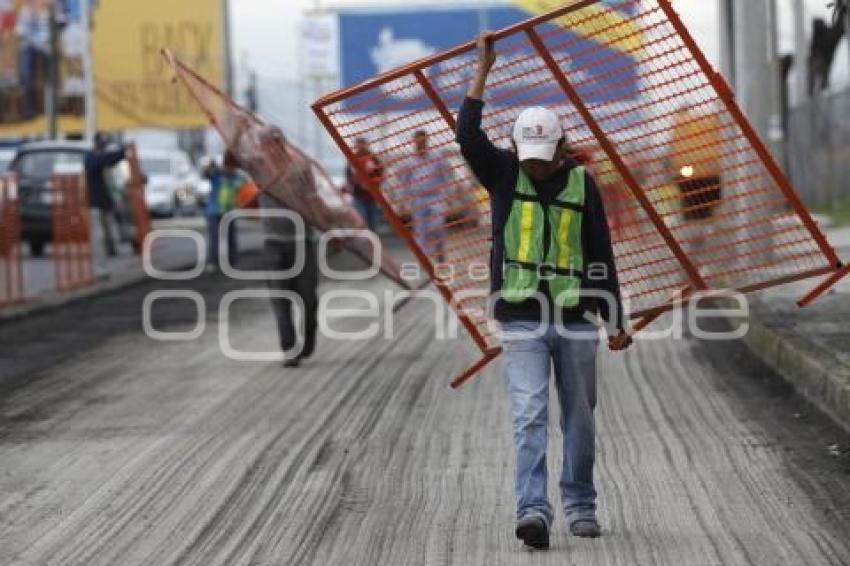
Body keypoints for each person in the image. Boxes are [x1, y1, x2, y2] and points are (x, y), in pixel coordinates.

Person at [456, 33, 633, 550]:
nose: (534, 163)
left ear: (560, 146)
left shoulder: (584, 184)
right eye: (526, 154)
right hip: (521, 319)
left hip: (577, 319)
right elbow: (467, 135)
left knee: (579, 418)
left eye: (543, 154)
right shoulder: (504, 174)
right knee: (529, 415)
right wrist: (482, 72)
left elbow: (601, 256)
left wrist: (615, 318)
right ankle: (532, 510)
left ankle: (581, 503)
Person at [256, 126, 319, 368]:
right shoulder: (258, 168)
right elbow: (229, 161)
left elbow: (314, 201)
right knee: (280, 299)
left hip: (302, 241)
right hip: (273, 243)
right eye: (263, 144)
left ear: (281, 142)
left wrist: (328, 231)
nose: (267, 148)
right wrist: (239, 132)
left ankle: (308, 339)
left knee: (308, 298)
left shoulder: (301, 166)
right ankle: (290, 349)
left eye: (272, 143)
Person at [401, 130, 452, 264]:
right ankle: (425, 259)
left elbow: (448, 175)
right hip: (418, 199)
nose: (421, 143)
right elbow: (404, 181)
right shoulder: (409, 161)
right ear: (414, 142)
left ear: (427, 140)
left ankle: (440, 249)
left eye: (423, 140)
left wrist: (448, 194)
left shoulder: (437, 157)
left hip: (435, 197)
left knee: (437, 225)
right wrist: (404, 199)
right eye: (418, 141)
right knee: (420, 231)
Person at [84, 132, 126, 276]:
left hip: (106, 204)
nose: (102, 147)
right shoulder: (91, 158)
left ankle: (108, 258)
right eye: (101, 144)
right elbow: (101, 161)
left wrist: (123, 151)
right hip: (95, 204)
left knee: (111, 235)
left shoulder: (104, 160)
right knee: (98, 236)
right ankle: (100, 269)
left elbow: (113, 159)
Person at [203, 150, 245, 271]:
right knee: (215, 238)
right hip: (214, 211)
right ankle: (213, 262)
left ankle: (232, 261)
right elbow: (206, 173)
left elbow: (243, 185)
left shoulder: (236, 176)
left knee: (231, 238)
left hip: (229, 211)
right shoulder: (217, 173)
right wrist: (211, 165)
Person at [345, 137, 384, 231]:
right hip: (359, 196)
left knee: (373, 222)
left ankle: (372, 242)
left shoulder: (374, 159)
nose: (361, 147)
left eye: (363, 144)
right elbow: (349, 176)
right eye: (359, 145)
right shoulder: (353, 159)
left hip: (372, 196)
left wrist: (374, 184)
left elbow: (380, 173)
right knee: (362, 220)